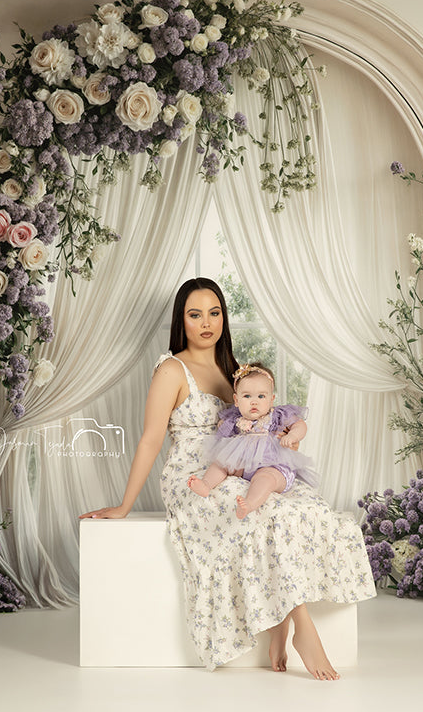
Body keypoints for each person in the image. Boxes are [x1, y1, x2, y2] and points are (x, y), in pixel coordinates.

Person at [80, 277, 375, 680]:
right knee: (254, 512)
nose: (206, 323)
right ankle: (302, 627)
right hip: (195, 476)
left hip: (243, 466)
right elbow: (150, 439)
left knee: (296, 506)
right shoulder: (172, 369)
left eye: (215, 312)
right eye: (195, 314)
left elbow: (263, 415)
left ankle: (279, 620)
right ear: (181, 321)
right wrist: (124, 505)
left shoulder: (234, 369)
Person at [188, 362, 319, 519]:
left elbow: (300, 424)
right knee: (221, 464)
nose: (254, 401)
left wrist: (292, 436)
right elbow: (222, 433)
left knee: (265, 478)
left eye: (261, 396)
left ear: (272, 399)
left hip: (273, 465)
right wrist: (223, 425)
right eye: (247, 396)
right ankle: (206, 485)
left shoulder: (277, 415)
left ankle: (249, 504)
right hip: (244, 464)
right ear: (236, 400)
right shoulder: (235, 419)